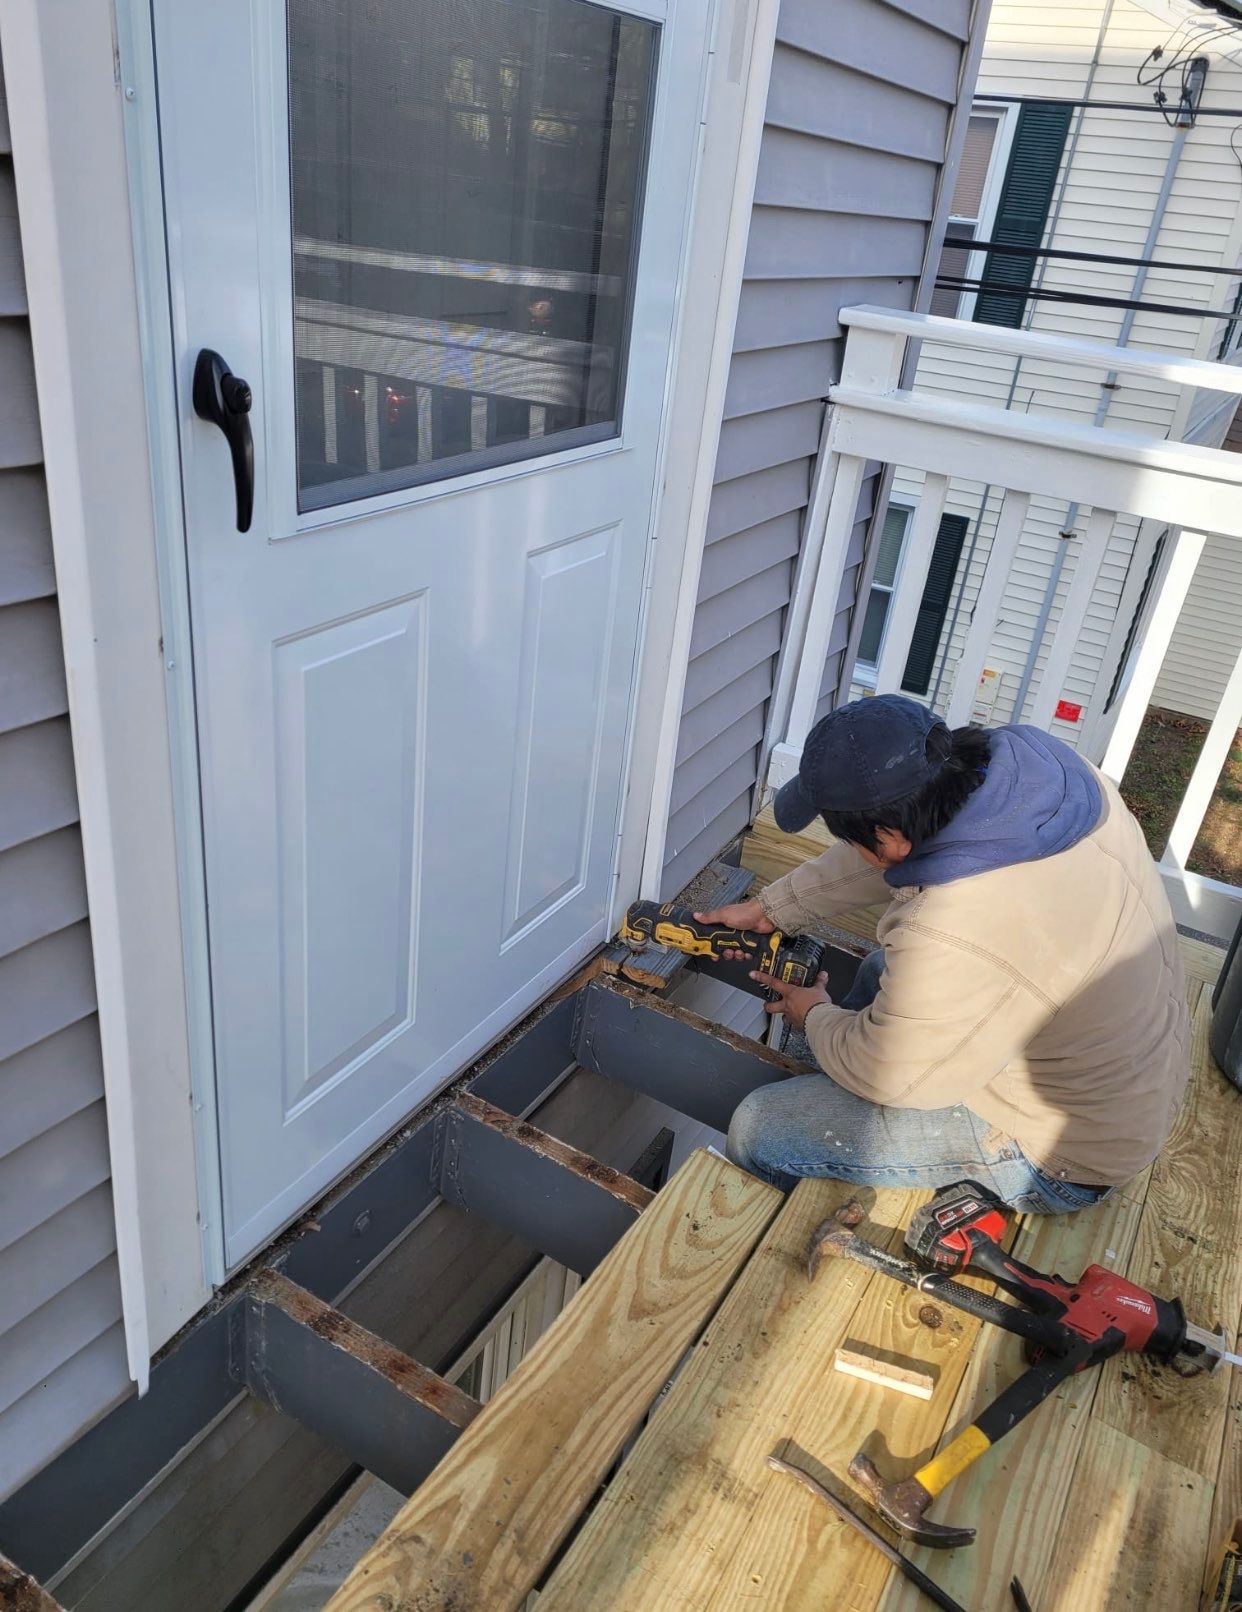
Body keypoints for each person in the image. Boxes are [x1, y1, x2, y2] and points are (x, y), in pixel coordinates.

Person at [697, 694, 1188, 1213]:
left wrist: (813, 1015)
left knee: (761, 1128)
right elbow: (895, 855)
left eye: (858, 838)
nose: (860, 850)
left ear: (891, 836)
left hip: (1064, 1151)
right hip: (1126, 1062)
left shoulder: (958, 923)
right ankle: (840, 1108)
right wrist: (772, 909)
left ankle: (791, 1220)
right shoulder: (1039, 778)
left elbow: (893, 1073)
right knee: (881, 969)